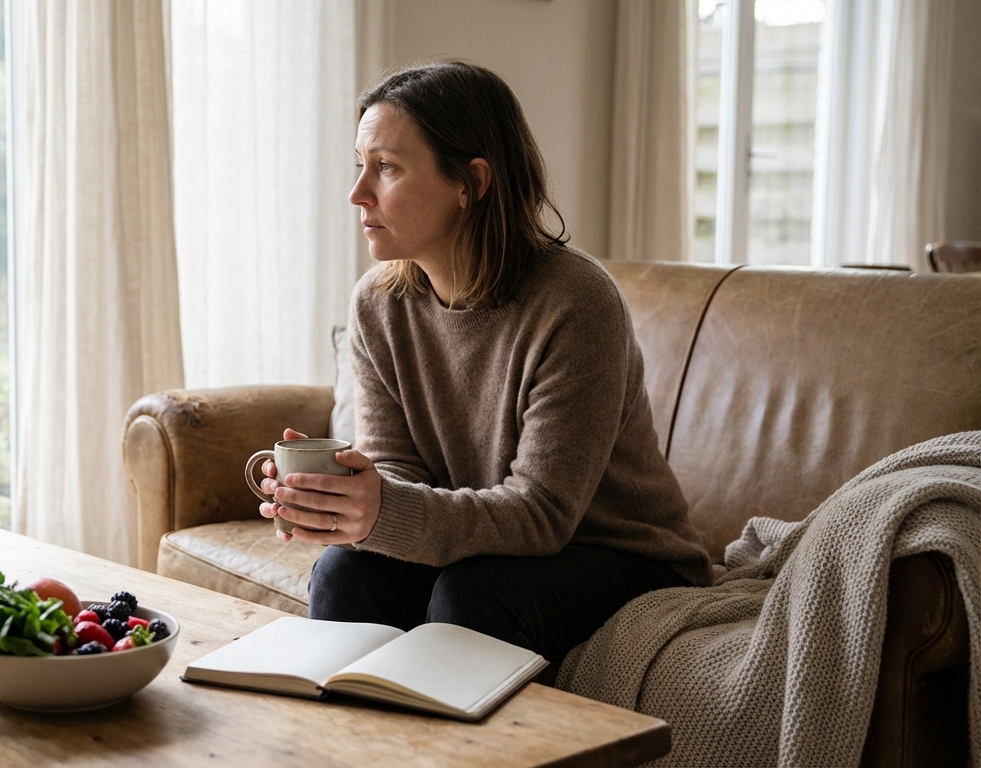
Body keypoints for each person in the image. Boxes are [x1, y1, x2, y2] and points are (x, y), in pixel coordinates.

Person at [257, 61, 712, 665]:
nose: (358, 192)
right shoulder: (379, 303)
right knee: (345, 572)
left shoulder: (576, 302)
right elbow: (399, 470)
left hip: (620, 553)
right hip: (485, 545)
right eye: (360, 164)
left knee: (471, 598)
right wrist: (342, 504)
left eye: (386, 167)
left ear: (469, 182)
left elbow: (543, 514)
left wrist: (383, 511)